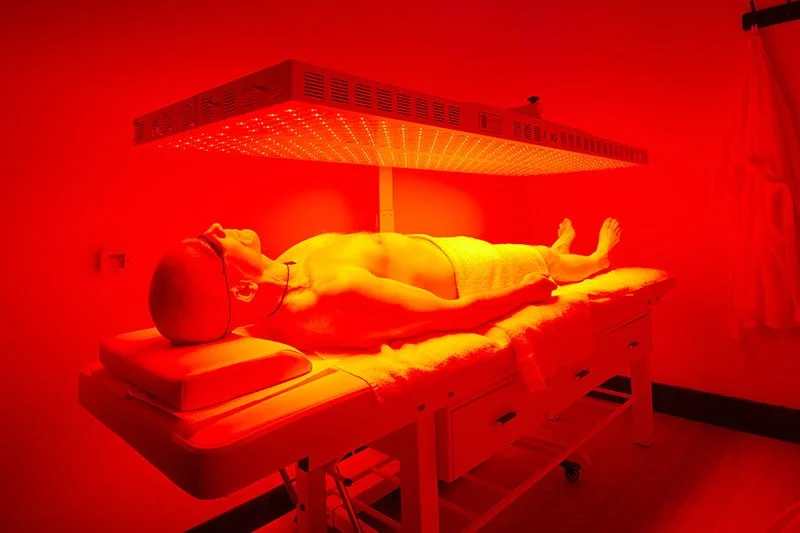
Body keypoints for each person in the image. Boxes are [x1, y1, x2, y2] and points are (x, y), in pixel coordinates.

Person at [148, 218, 621, 350]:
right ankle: (597, 259)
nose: (216, 227)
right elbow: (452, 315)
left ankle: (558, 249)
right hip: (466, 271)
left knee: (538, 252)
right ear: (243, 290)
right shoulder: (330, 298)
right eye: (211, 245)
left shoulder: (287, 262)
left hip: (435, 245)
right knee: (544, 263)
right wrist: (524, 292)